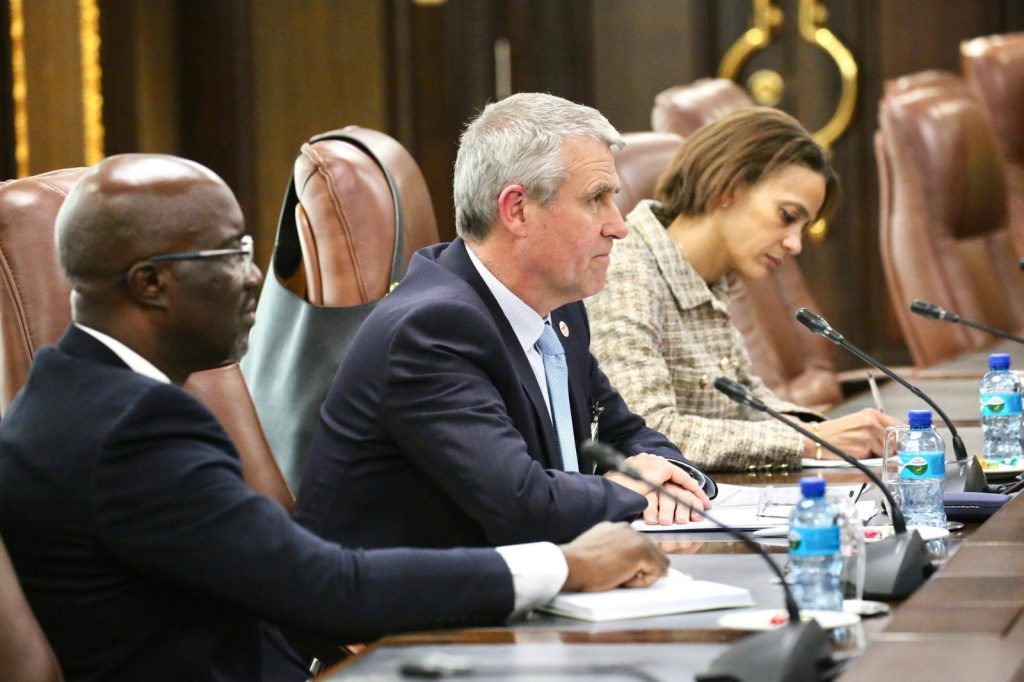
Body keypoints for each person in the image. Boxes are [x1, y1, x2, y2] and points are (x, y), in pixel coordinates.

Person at [0, 154, 671, 682]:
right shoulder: (131, 431)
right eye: (230, 255)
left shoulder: (76, 397)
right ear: (150, 283)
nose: (253, 277)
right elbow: (327, 586)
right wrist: (563, 565)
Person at [294, 93, 717, 553]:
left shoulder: (558, 308)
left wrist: (674, 479)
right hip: (397, 614)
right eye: (597, 199)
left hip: (518, 582)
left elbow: (628, 431)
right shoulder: (432, 330)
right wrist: (632, 489)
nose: (619, 226)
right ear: (516, 209)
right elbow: (521, 504)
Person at [586, 107, 900, 472]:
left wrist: (840, 432)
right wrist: (812, 443)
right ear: (728, 188)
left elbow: (750, 407)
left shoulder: (708, 277)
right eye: (787, 216)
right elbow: (646, 435)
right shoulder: (626, 272)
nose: (796, 244)